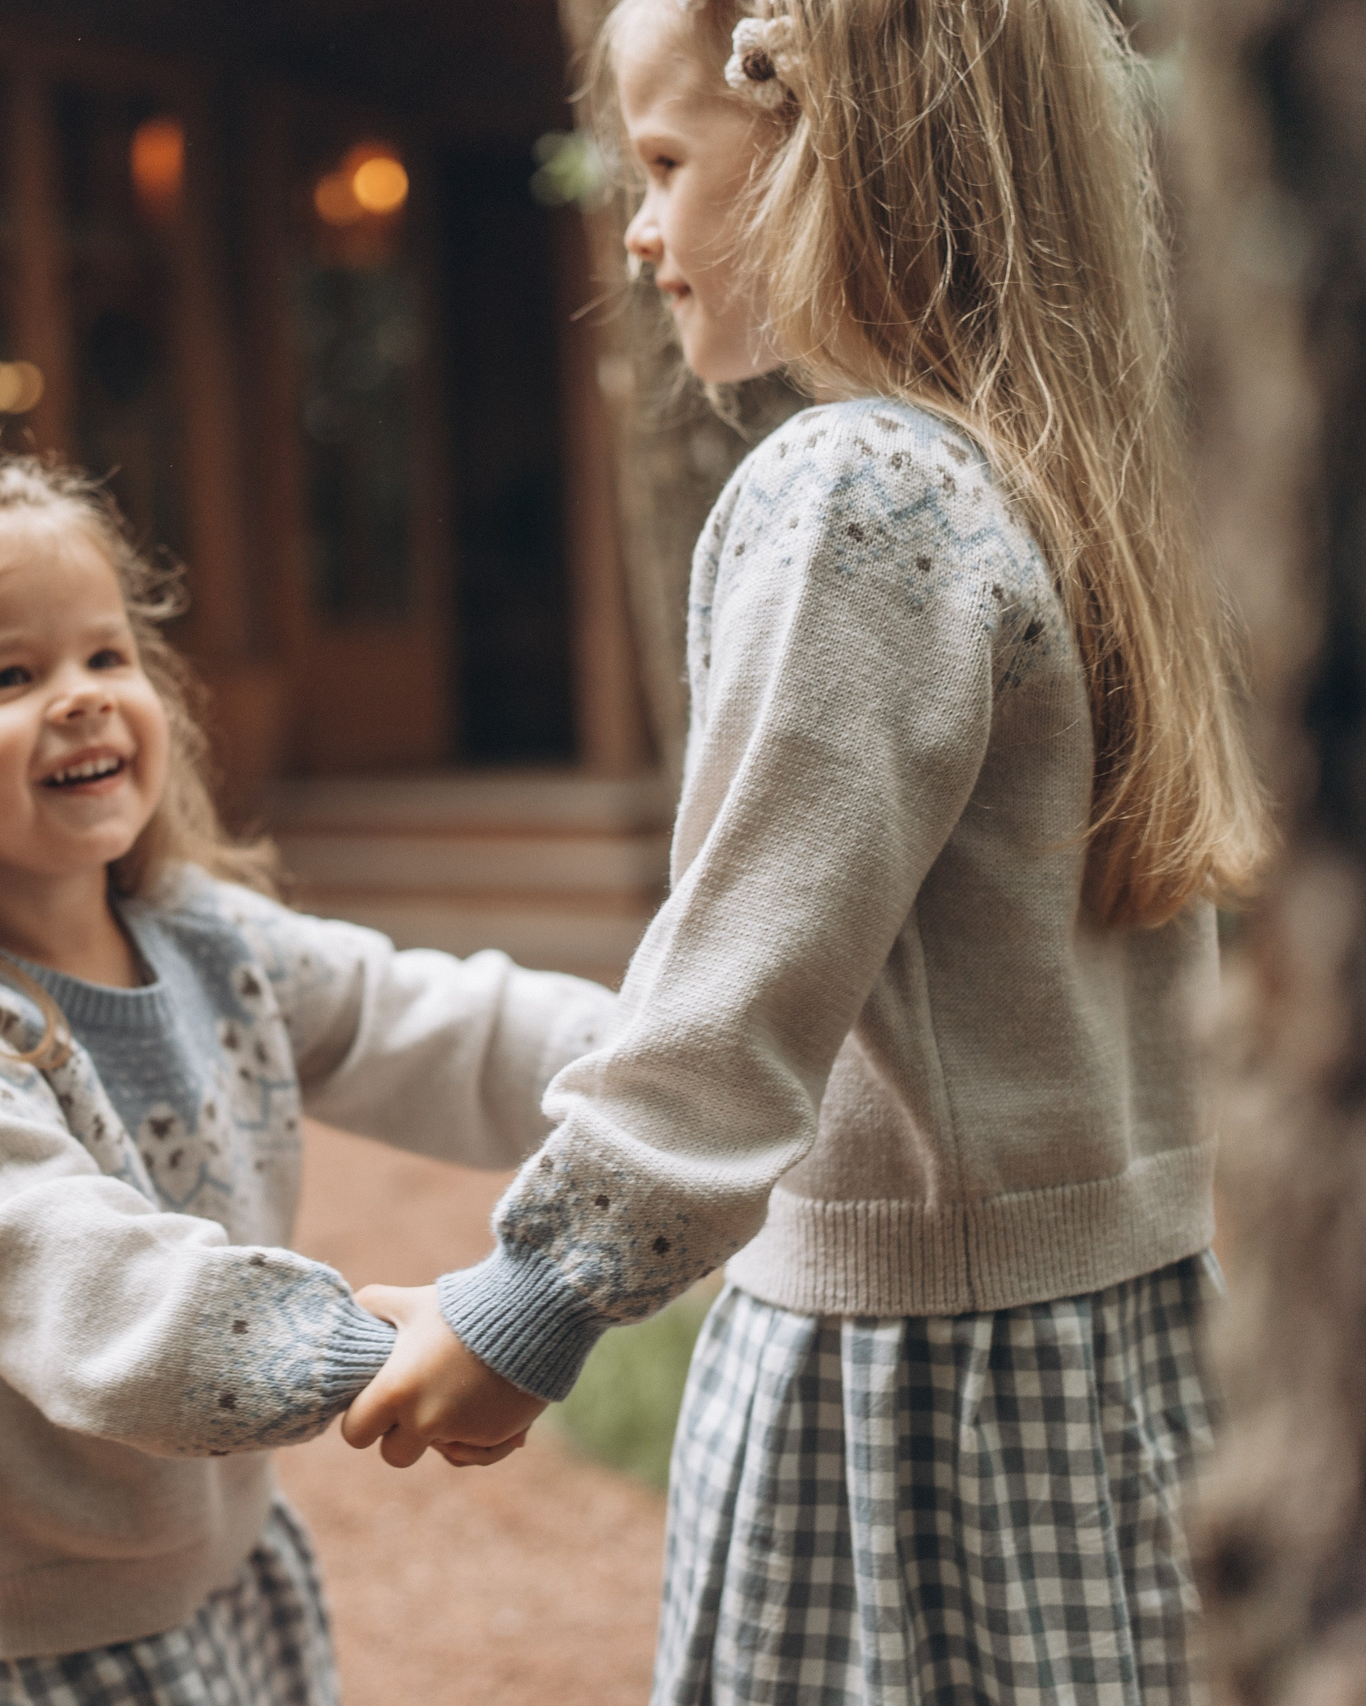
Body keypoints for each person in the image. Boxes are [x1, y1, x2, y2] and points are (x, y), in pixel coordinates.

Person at [342, 1, 1272, 1701]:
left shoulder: (858, 495)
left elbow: (745, 980)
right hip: (1121, 1354)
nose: (636, 225)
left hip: (922, 1405)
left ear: (818, 154)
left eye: (667, 162)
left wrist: (531, 1301)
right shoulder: (1073, 489)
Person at [0, 448, 615, 1706]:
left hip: (219, 1555)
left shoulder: (202, 934)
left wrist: (668, 1056)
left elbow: (428, 1021)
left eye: (105, 655)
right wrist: (377, 1347)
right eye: (8, 674)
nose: (80, 697)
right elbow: (89, 1288)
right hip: (48, 1637)